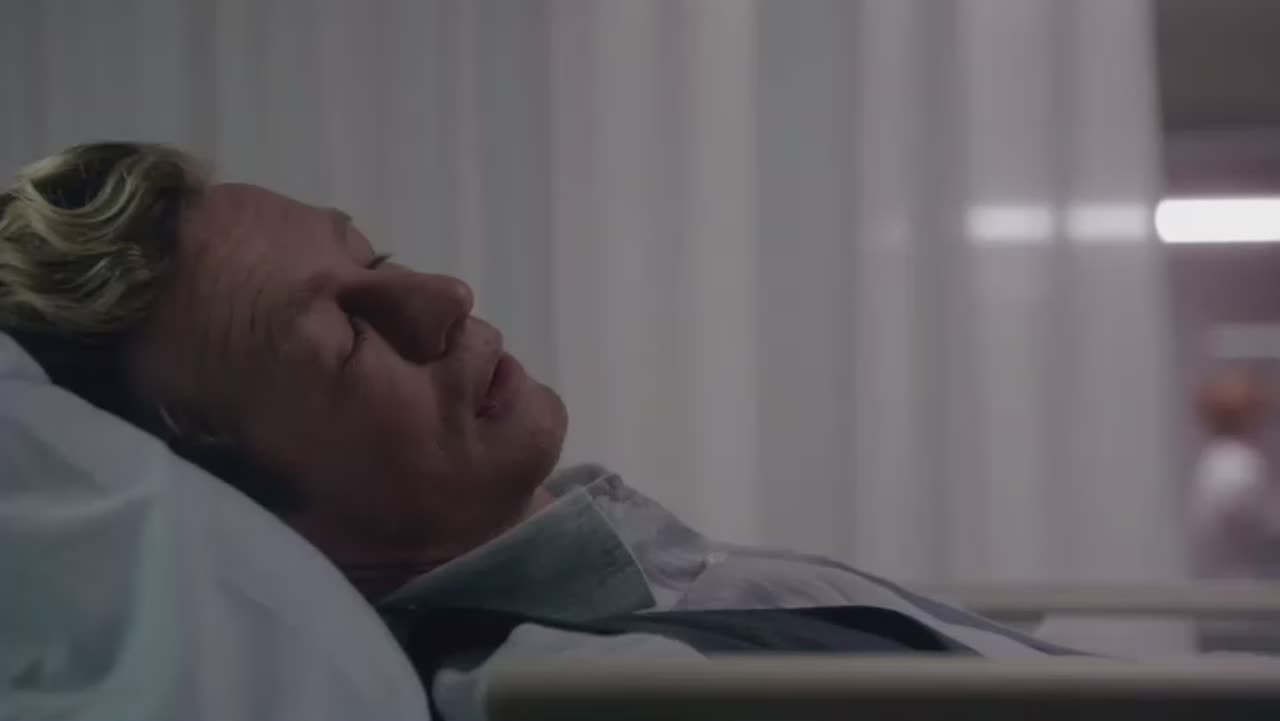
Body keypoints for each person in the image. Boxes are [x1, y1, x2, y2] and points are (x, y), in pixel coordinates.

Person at [0, 142, 1076, 713]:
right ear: (240, 502)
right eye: (346, 335)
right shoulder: (575, 685)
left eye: (374, 259)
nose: (444, 297)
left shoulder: (646, 582)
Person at [1189, 368, 1280, 652]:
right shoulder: (1237, 466)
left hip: (1226, 608)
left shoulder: (1213, 461)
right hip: (1244, 611)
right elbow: (1266, 533)